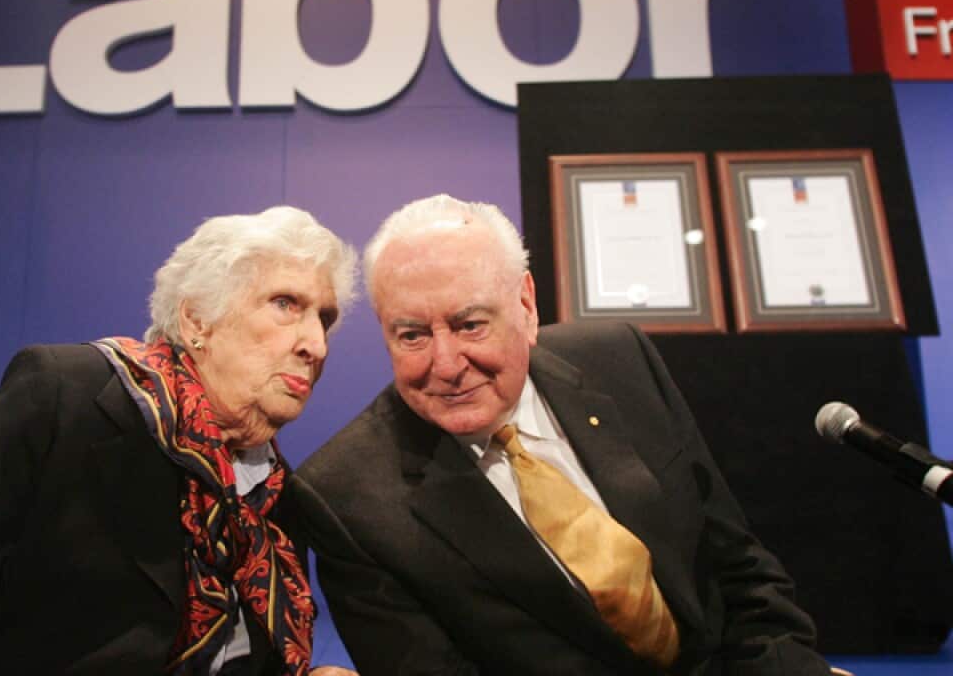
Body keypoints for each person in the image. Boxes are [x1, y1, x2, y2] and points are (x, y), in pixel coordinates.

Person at [0, 206, 359, 676]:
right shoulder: (62, 402)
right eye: (286, 304)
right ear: (196, 320)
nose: (316, 344)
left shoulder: (275, 497)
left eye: (325, 318)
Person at [292, 194, 830, 675]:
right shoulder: (348, 496)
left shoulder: (620, 359)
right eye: (411, 335)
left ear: (525, 305)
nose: (446, 363)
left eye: (469, 324)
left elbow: (740, 569)